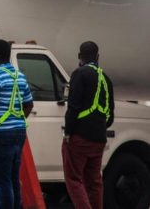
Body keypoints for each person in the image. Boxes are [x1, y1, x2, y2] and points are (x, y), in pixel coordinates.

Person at [0, 39, 33, 209]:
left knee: (1, 182)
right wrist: (17, 121)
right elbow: (29, 104)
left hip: (0, 133)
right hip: (19, 132)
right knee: (13, 179)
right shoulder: (20, 76)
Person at [62, 41, 115, 209]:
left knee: (74, 179)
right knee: (94, 182)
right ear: (98, 57)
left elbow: (73, 107)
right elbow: (110, 115)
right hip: (99, 139)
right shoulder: (106, 79)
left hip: (79, 137)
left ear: (79, 56)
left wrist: (68, 132)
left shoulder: (79, 74)